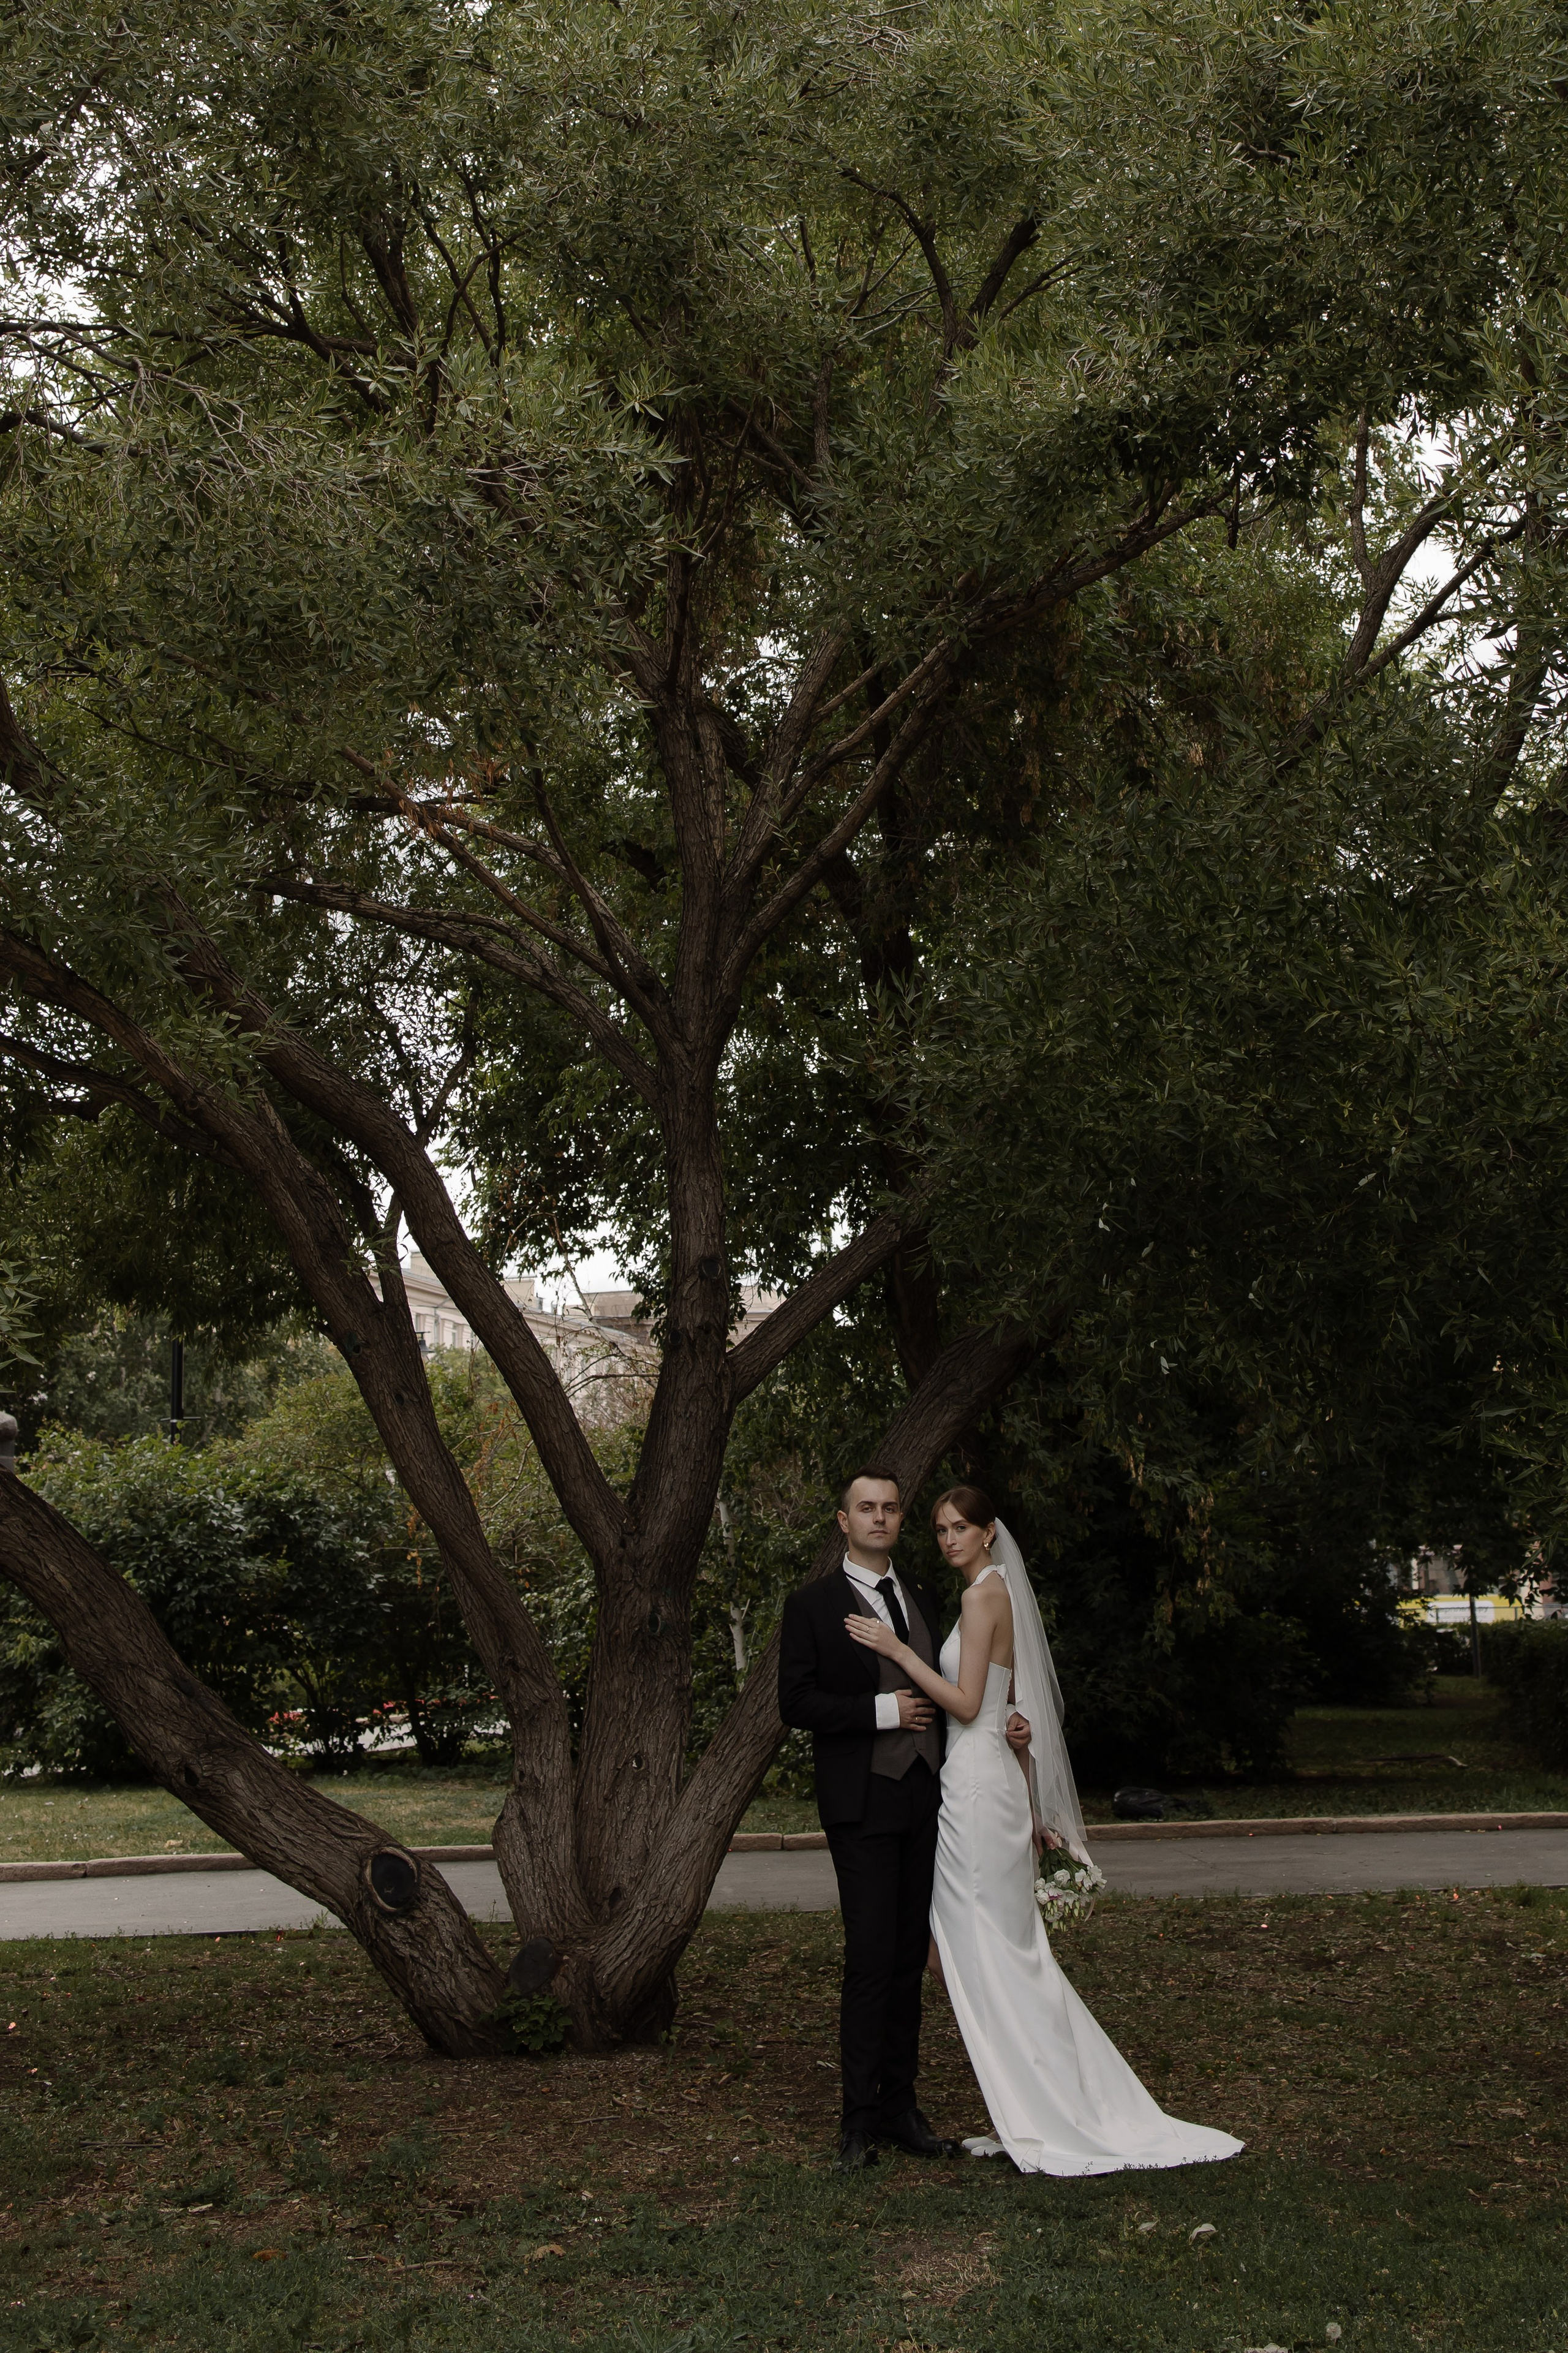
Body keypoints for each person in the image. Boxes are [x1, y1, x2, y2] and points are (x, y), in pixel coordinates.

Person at [842, 1484, 1245, 2177]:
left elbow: (968, 1704)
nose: (947, 1540)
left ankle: (1044, 2108)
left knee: (982, 1949)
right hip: (992, 1776)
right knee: (1005, 1948)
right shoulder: (995, 1592)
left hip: (972, 1785)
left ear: (989, 1532)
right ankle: (1038, 2099)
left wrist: (899, 1653)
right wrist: (1029, 1794)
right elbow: (1010, 1708)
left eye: (960, 1527)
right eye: (939, 1528)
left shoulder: (978, 1597)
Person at [777, 1467, 1031, 2172]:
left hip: (931, 1800)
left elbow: (967, 1694)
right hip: (861, 1802)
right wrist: (882, 1711)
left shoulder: (923, 1593)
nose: (880, 1518)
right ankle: (856, 2119)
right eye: (866, 1508)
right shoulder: (813, 1606)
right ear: (843, 1520)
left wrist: (1010, 1731)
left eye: (890, 1508)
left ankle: (901, 2107)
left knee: (906, 1962)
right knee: (867, 1958)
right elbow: (794, 1703)